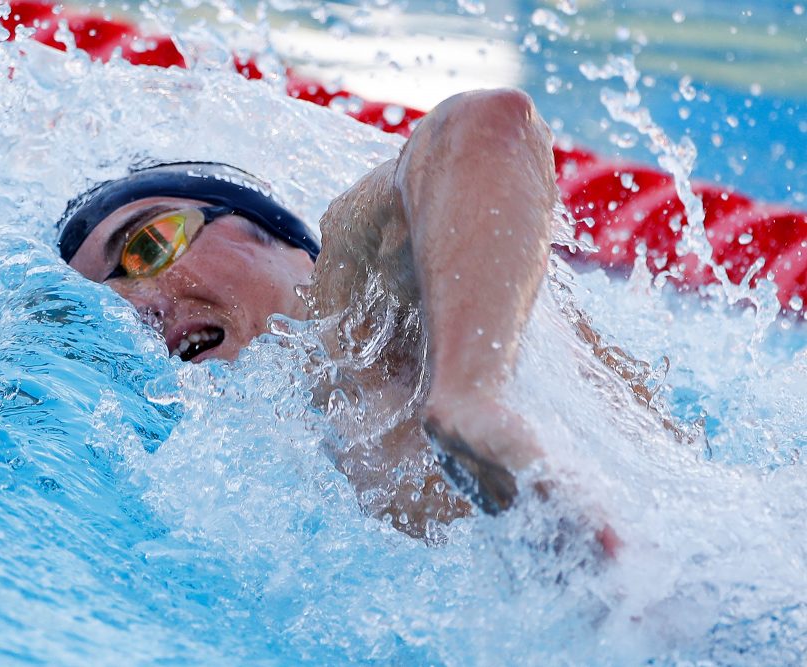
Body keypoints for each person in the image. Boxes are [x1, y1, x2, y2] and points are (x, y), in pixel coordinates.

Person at [59, 88, 612, 546]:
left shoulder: (362, 298)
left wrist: (470, 395)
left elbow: (489, 122)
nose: (140, 303)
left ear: (273, 233)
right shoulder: (249, 476)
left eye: (147, 246)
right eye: (108, 301)